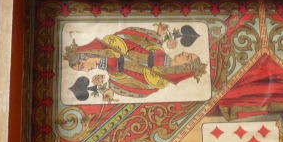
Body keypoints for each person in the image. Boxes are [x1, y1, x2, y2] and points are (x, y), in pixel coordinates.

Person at [63, 24, 207, 99]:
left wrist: (111, 89)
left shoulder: (156, 83)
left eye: (188, 56)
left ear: (185, 67)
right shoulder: (157, 49)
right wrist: (158, 35)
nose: (184, 53)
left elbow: (132, 88)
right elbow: (135, 37)